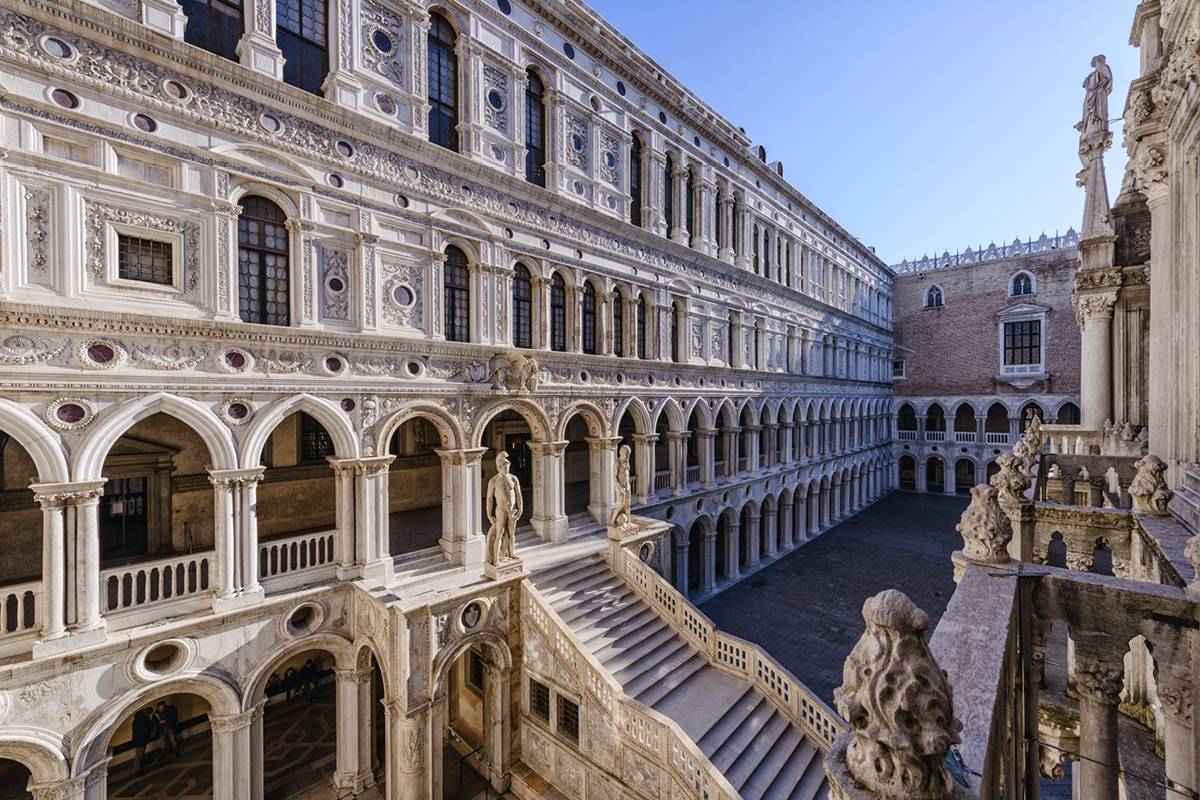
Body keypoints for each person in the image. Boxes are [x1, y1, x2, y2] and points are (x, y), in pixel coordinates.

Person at [484, 452, 521, 565]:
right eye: (504, 467)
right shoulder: (493, 481)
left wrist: (520, 509)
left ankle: (511, 553)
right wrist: (489, 515)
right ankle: (495, 558)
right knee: (499, 534)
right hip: (501, 509)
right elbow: (489, 499)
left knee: (511, 532)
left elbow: (518, 495)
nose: (506, 469)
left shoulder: (513, 478)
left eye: (508, 467)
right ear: (499, 468)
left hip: (512, 509)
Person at [131, 707, 154, 775]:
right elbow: (142, 730)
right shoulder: (140, 720)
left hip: (142, 739)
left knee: (142, 752)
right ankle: (136, 771)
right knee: (138, 755)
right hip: (140, 740)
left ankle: (142, 763)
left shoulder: (141, 717)